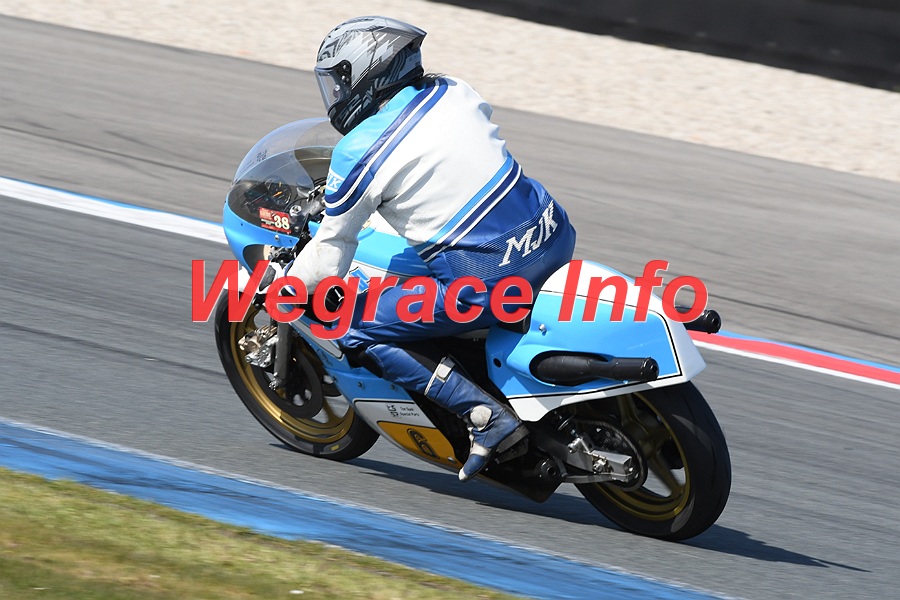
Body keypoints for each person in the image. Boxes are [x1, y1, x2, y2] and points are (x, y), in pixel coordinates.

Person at [287, 16, 576, 481]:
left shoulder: (360, 150)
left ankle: (485, 417)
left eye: (340, 80)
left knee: (345, 321)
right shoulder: (455, 90)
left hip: (490, 283)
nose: (336, 93)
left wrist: (290, 289)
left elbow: (330, 253)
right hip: (553, 232)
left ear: (367, 74)